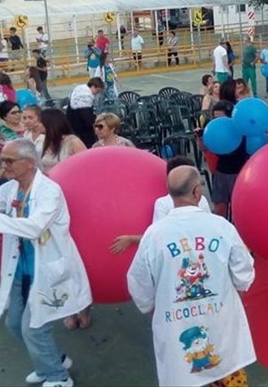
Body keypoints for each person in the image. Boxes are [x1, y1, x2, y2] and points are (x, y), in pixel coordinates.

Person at [0, 138, 91, 387]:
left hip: (47, 269)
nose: (3, 166)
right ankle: (54, 361)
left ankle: (58, 377)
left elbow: (34, 227)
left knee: (34, 326)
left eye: (9, 161)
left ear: (29, 164)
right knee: (14, 323)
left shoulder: (49, 191)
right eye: (3, 160)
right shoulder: (11, 188)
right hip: (21, 268)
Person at [127, 165, 256, 387]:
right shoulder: (221, 227)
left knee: (185, 374)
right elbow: (244, 270)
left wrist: (151, 309)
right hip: (221, 317)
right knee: (226, 367)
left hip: (174, 321)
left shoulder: (154, 235)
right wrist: (238, 288)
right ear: (197, 192)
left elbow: (137, 281)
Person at [109, 156, 212, 254]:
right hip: (199, 248)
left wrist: (131, 239)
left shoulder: (163, 203)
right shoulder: (200, 199)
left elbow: (158, 236)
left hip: (176, 251)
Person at [200, 101, 249, 219]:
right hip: (221, 172)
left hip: (239, 173)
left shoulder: (240, 130)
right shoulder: (213, 130)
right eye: (215, 118)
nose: (218, 122)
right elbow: (204, 148)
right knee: (219, 209)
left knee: (239, 211)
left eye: (221, 118)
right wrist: (199, 137)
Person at [41, 108, 88, 174]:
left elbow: (86, 163)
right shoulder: (47, 142)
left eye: (40, 122)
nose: (37, 125)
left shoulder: (73, 142)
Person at [66, 77, 104, 148]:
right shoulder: (86, 96)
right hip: (81, 128)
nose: (97, 93)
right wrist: (95, 118)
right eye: (97, 91)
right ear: (93, 86)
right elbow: (87, 119)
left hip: (71, 122)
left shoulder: (79, 88)